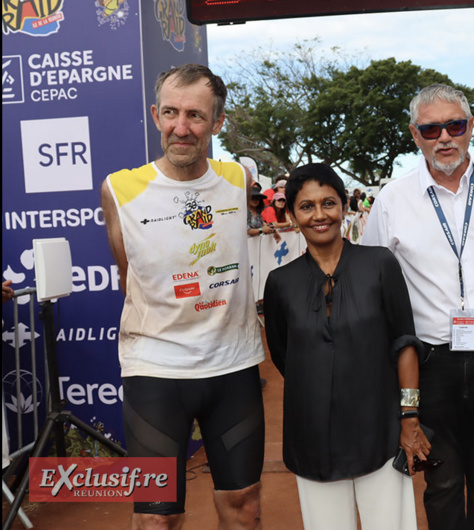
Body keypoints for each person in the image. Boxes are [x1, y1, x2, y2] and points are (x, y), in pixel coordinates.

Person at [101, 63, 265, 530]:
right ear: (155, 115)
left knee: (246, 508)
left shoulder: (237, 178)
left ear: (217, 123)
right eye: (170, 112)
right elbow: (127, 273)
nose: (181, 127)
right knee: (156, 521)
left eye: (196, 115)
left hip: (232, 368)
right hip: (155, 373)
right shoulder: (119, 188)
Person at [362, 83, 474, 530]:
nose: (445, 137)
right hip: (429, 361)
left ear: (470, 127)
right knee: (441, 483)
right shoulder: (392, 201)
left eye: (454, 125)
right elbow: (372, 281)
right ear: (414, 135)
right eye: (431, 128)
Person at [263, 163, 428, 530]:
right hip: (312, 438)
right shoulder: (280, 284)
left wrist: (409, 418)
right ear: (291, 214)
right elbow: (285, 356)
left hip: (380, 431)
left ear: (344, 208)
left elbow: (405, 343)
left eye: (329, 203)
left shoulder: (380, 264)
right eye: (306, 206)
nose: (319, 215)